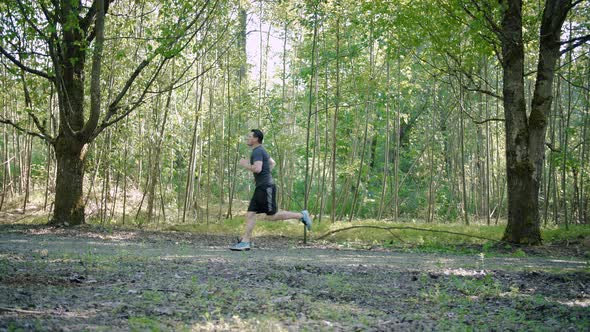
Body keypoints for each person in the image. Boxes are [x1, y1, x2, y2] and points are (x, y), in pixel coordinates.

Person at [230, 129, 312, 251]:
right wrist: (262, 175)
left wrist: (245, 164)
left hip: (265, 187)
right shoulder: (261, 150)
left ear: (256, 139)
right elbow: (272, 163)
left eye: (249, 136)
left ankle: (301, 215)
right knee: (251, 214)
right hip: (262, 186)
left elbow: (257, 169)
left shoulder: (257, 151)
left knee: (271, 216)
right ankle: (245, 242)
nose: (247, 138)